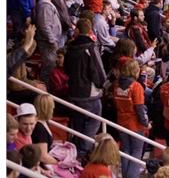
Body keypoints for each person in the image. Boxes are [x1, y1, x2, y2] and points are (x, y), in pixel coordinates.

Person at [64, 18, 106, 158]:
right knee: (93, 120)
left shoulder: (70, 47)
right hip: (88, 93)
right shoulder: (90, 47)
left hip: (73, 91)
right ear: (90, 30)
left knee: (79, 123)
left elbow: (66, 68)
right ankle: (82, 153)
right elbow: (97, 71)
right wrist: (102, 85)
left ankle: (75, 152)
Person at [113, 59, 150, 178]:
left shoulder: (116, 85)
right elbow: (139, 108)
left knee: (125, 150)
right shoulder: (136, 86)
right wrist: (145, 123)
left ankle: (125, 175)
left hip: (121, 121)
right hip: (135, 124)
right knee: (136, 151)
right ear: (135, 71)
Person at [34, 0, 62, 85]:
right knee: (48, 65)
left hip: (50, 41)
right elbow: (44, 25)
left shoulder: (47, 4)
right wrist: (52, 40)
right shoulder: (45, 6)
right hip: (47, 42)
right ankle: (43, 88)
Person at [32, 94, 58, 165]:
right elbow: (43, 157)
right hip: (44, 165)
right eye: (52, 108)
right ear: (47, 109)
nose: (53, 109)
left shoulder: (44, 121)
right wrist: (60, 163)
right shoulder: (39, 128)